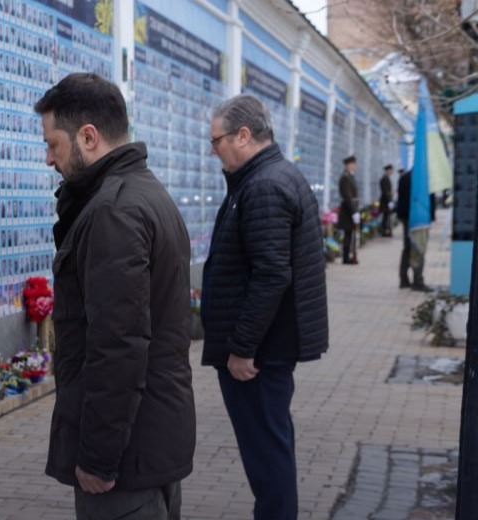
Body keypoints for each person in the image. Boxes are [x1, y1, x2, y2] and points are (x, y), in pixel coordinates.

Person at [34, 72, 193, 519]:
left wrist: (98, 457)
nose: (49, 159)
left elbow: (117, 346)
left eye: (53, 145)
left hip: (125, 458)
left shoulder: (114, 212)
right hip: (149, 441)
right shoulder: (145, 192)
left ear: (88, 137)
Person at [203, 94, 328, 520]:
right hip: (266, 348)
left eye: (216, 140)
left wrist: (242, 348)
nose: (213, 151)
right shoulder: (266, 178)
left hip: (259, 355)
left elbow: (272, 275)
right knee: (270, 451)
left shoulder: (264, 186)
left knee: (268, 458)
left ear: (243, 135)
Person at [396, 169, 428, 291]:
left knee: (408, 248)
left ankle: (404, 279)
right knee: (417, 248)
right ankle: (417, 280)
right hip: (417, 218)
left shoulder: (405, 177)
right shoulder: (421, 178)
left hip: (407, 218)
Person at [337, 155, 360, 264]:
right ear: (348, 165)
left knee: (350, 235)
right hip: (348, 211)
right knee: (347, 235)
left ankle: (348, 256)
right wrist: (354, 212)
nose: (354, 166)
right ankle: (345, 258)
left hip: (351, 209)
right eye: (352, 164)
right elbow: (347, 196)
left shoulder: (350, 176)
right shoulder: (345, 177)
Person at [379, 164, 394, 237]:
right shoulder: (384, 179)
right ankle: (385, 231)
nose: (392, 172)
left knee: (386, 217)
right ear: (388, 170)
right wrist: (389, 201)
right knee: (385, 217)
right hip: (385, 201)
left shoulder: (386, 178)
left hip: (386, 201)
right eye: (391, 170)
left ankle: (386, 231)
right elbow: (386, 191)